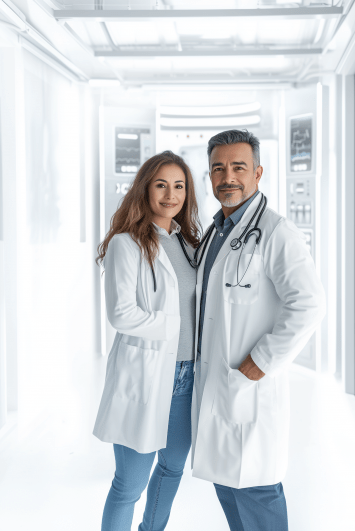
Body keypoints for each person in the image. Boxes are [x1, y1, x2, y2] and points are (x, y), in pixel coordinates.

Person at [191, 130, 326, 531]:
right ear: (210, 175)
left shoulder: (276, 232)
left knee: (256, 493)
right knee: (228, 489)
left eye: (238, 167)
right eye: (218, 168)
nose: (227, 176)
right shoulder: (216, 231)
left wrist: (259, 363)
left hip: (247, 387)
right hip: (218, 387)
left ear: (258, 172)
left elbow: (309, 304)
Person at [93, 151, 201, 531]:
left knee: (172, 469)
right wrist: (175, 324)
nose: (171, 195)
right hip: (146, 375)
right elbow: (121, 314)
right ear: (145, 189)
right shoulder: (127, 244)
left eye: (179, 186)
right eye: (161, 185)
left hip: (189, 378)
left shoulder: (191, 245)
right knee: (129, 484)